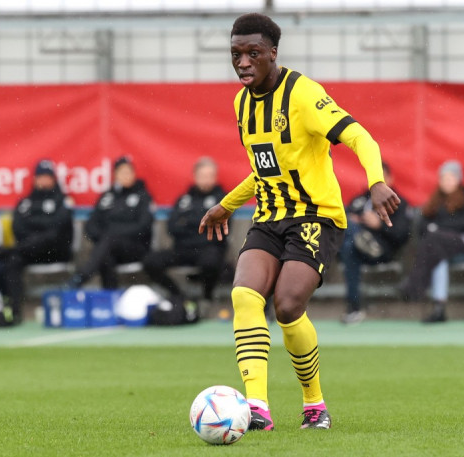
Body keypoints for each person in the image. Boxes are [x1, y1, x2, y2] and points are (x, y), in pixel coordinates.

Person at [199, 13, 400, 431]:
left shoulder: (304, 95)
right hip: (269, 217)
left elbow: (360, 136)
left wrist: (376, 182)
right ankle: (256, 407)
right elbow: (266, 169)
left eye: (253, 53)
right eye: (236, 54)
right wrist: (226, 205)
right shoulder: (241, 104)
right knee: (244, 295)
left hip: (315, 217)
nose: (243, 63)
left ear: (273, 53)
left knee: (288, 306)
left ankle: (314, 404)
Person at [0, 159, 73, 324]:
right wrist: (42, 225)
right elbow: (18, 227)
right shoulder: (25, 202)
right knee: (13, 260)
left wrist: (34, 224)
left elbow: (57, 229)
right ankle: (15, 311)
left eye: (47, 176)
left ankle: (5, 250)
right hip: (30, 251)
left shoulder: (63, 201)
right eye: (40, 176)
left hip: (56, 251)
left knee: (44, 239)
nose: (43, 180)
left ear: (53, 179)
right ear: (34, 179)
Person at [399, 160, 464, 323]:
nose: (447, 182)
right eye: (444, 178)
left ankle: (414, 284)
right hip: (440, 247)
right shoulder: (435, 201)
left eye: (451, 178)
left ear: (458, 180)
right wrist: (437, 229)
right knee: (438, 254)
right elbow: (422, 224)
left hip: (463, 245)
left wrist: (439, 228)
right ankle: (439, 308)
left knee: (434, 239)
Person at [143, 157, 227, 304]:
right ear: (195, 176)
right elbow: (172, 227)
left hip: (209, 247)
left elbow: (218, 229)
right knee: (151, 261)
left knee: (211, 262)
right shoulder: (184, 199)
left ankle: (207, 297)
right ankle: (178, 295)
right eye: (203, 176)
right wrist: (200, 223)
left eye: (210, 176)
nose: (206, 180)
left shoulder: (223, 199)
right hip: (183, 249)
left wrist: (187, 223)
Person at [339, 162, 410, 324]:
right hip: (358, 250)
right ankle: (354, 307)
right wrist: (355, 221)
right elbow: (345, 216)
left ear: (390, 179)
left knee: (349, 238)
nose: (377, 182)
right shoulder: (360, 200)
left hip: (383, 251)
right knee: (349, 244)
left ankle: (353, 307)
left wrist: (380, 225)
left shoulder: (398, 203)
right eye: (374, 178)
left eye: (381, 178)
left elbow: (401, 235)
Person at [68, 156, 154, 290]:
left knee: (108, 243)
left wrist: (115, 233)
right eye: (122, 172)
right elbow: (91, 224)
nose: (125, 176)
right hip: (109, 247)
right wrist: (104, 236)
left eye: (128, 172)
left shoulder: (143, 196)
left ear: (134, 174)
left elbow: (144, 226)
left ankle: (81, 276)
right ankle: (110, 296)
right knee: (106, 254)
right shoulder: (107, 196)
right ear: (115, 175)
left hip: (135, 247)